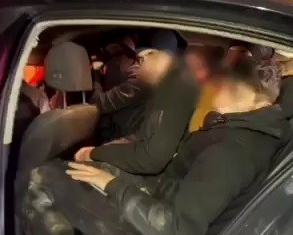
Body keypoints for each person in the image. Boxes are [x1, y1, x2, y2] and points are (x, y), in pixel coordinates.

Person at [20, 50, 287, 235]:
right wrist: (108, 171)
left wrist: (113, 185)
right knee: (85, 169)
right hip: (164, 199)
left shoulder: (232, 151)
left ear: (258, 98)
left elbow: (176, 231)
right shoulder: (244, 128)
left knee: (43, 179)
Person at [74, 30, 199, 175]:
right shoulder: (165, 93)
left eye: (139, 61)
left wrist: (94, 154)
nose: (136, 66)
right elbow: (141, 137)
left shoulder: (174, 99)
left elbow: (150, 159)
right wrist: (106, 149)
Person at [89, 36, 148, 141]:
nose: (107, 68)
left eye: (114, 59)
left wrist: (96, 75)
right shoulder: (136, 78)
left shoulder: (136, 83)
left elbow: (97, 103)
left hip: (134, 141)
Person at [185, 44, 225, 132]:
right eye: (190, 69)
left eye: (198, 67)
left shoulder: (217, 93)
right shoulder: (192, 93)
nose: (193, 74)